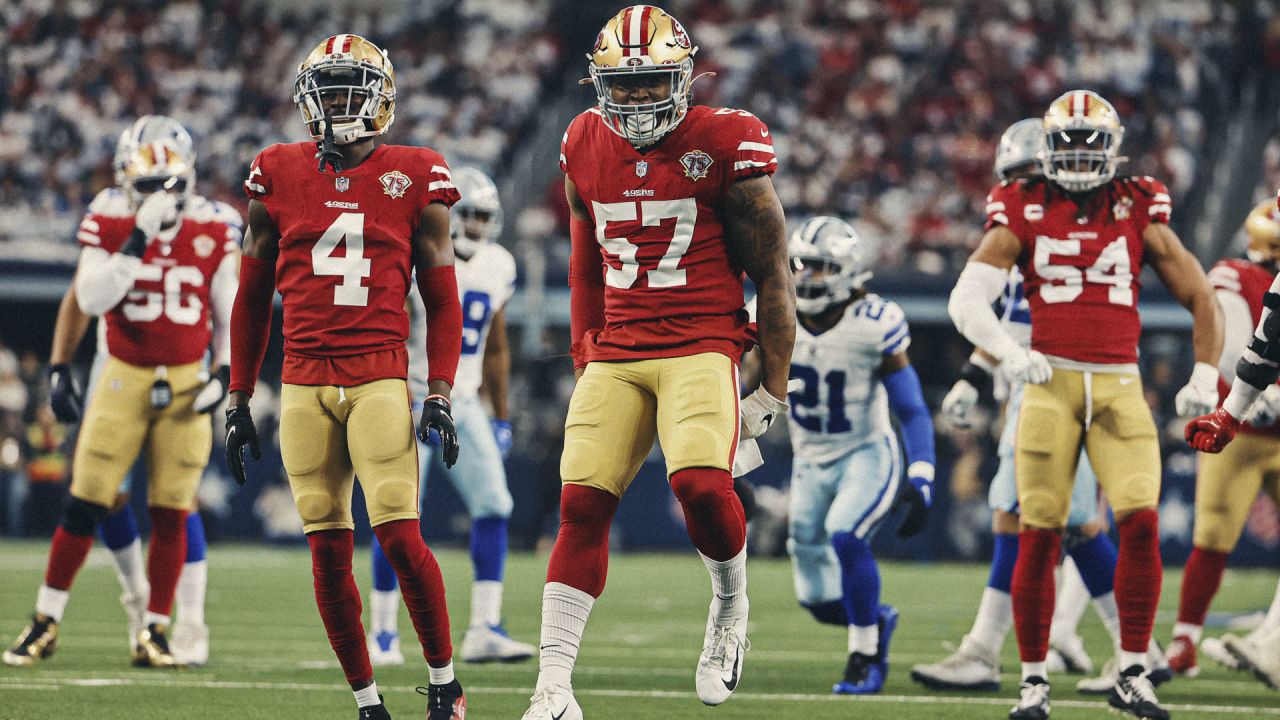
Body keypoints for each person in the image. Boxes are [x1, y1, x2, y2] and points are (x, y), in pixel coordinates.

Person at [520, 6, 795, 718]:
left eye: (650, 83)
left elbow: (773, 274)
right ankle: (552, 687)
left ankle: (730, 608)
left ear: (681, 78)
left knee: (703, 486)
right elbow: (585, 258)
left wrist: (774, 384)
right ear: (598, 83)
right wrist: (585, 347)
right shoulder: (583, 136)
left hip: (702, 342)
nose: (638, 98)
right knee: (580, 504)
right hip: (619, 349)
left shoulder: (726, 139)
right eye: (625, 84)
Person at [948, 90, 1222, 720]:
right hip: (1050, 384)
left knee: (1141, 523)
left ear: (1112, 148)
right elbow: (967, 297)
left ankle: (1133, 671)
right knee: (1038, 535)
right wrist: (1006, 353)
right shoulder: (1021, 202)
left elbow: (1201, 296)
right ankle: (1034, 684)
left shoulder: (1136, 203)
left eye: (1088, 142)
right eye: (1065, 142)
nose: (1075, 154)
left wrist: (1205, 375)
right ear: (1047, 148)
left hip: (1119, 385)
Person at [226, 34, 466, 720]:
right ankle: (366, 701)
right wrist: (239, 393)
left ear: (380, 97)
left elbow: (442, 299)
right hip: (302, 382)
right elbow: (250, 298)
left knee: (398, 534)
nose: (336, 102)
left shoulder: (416, 172)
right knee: (327, 551)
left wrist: (440, 391)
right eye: (326, 89)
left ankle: (445, 683)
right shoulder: (275, 170)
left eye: (349, 88)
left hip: (378, 377)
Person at [915, 119, 1167, 694]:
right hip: (1032, 391)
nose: (1024, 192)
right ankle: (1132, 651)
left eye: (1028, 176)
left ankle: (1124, 653)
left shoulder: (1071, 235)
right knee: (1052, 522)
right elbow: (1003, 320)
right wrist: (974, 377)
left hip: (1063, 391)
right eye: (1015, 179)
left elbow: (1033, 326)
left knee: (1057, 522)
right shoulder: (1023, 233)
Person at [4, 119, 239, 670]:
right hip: (123, 370)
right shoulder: (109, 214)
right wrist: (138, 236)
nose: (160, 195)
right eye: (148, 182)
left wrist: (226, 375)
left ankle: (155, 629)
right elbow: (89, 295)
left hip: (186, 376)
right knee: (87, 497)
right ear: (125, 179)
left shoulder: (215, 223)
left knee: (172, 509)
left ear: (190, 180)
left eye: (170, 183)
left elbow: (231, 311)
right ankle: (45, 619)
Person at [366, 167, 534, 665]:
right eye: (470, 214)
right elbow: (389, 333)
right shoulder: (417, 256)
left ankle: (484, 627)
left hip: (463, 402)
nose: (478, 225)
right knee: (397, 514)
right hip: (411, 398)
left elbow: (497, 346)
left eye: (485, 215)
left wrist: (500, 416)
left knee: (495, 506)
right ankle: (382, 635)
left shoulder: (498, 263)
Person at [779, 216, 934, 694]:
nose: (807, 277)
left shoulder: (874, 322)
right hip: (808, 461)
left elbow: (910, 407)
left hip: (865, 453)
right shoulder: (771, 312)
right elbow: (740, 394)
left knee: (846, 537)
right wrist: (733, 462)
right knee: (816, 596)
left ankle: (864, 657)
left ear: (848, 272)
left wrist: (923, 473)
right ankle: (874, 621)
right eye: (801, 265)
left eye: (821, 268)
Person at [1166, 199, 1280, 678]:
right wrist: (1237, 409)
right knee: (1211, 537)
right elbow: (1242, 347)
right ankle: (1186, 641)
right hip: (1248, 432)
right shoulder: (1234, 276)